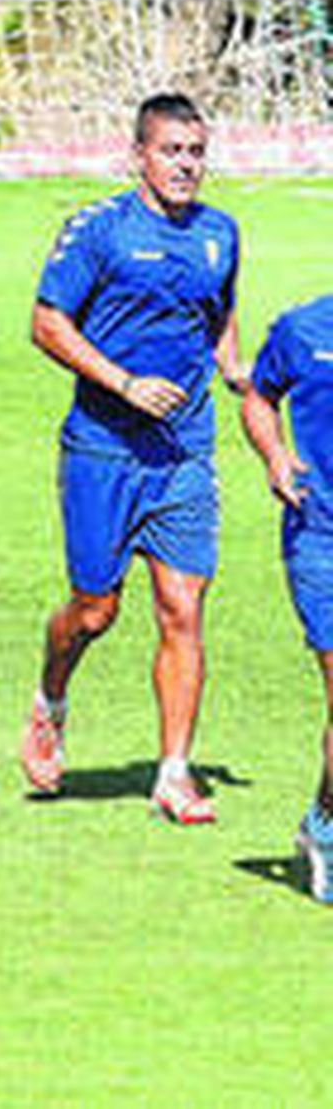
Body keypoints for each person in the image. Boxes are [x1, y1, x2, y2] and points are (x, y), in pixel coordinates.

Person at [20, 93, 245, 823]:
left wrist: (235, 367)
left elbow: (218, 312)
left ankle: (173, 772)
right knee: (95, 610)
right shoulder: (99, 230)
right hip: (103, 449)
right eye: (172, 151)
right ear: (138, 156)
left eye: (196, 152)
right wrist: (120, 380)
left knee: (182, 608)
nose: (186, 165)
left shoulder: (220, 233)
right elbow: (46, 322)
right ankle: (51, 693)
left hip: (184, 450)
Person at [241, 294, 333, 901]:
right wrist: (274, 455)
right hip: (321, 533)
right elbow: (258, 395)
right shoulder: (303, 328)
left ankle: (321, 817)